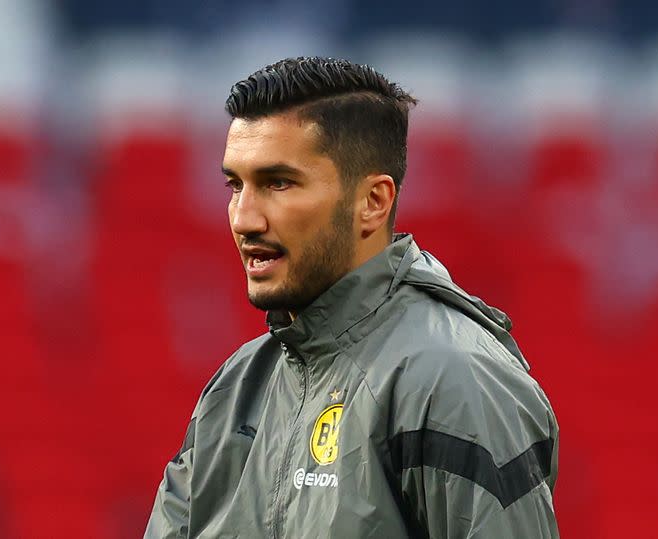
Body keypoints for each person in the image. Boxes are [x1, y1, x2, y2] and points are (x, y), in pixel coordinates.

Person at [145, 56, 559, 538]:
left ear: (373, 202)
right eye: (235, 185)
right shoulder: (233, 392)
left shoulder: (454, 382)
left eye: (278, 183)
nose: (244, 219)